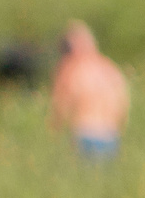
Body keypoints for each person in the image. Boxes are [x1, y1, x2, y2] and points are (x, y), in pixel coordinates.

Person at [50, 21, 129, 163]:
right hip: (111, 136)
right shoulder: (110, 69)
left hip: (85, 133)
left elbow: (61, 104)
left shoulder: (72, 68)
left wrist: (56, 131)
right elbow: (123, 104)